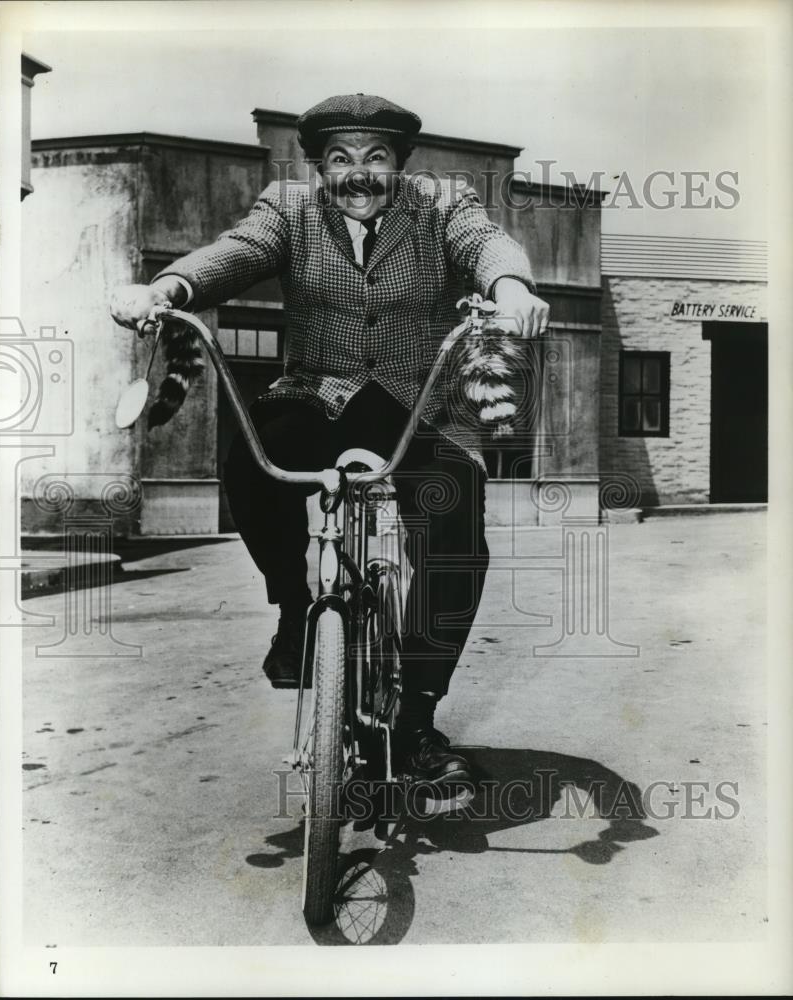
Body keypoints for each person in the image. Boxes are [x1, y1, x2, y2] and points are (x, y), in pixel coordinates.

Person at [111, 93, 549, 795]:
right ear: (317, 165)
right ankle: (294, 610)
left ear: (400, 165)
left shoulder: (442, 205)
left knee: (456, 518)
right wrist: (169, 287)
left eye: (376, 157)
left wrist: (510, 285)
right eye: (340, 158)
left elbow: (484, 243)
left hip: (412, 404)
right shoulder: (288, 209)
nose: (358, 173)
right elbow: (236, 253)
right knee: (251, 466)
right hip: (316, 396)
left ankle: (416, 719)